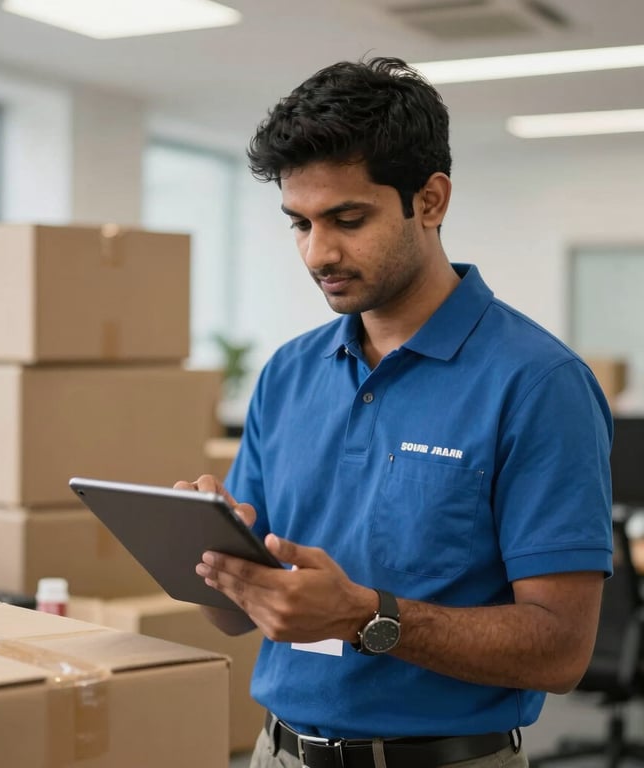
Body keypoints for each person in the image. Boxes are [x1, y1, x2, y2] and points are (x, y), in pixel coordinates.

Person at [176, 56, 613, 768]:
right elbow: (235, 617)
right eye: (299, 224)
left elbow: (561, 651)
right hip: (277, 753)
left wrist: (362, 616)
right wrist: (216, 562)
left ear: (430, 200)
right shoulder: (288, 372)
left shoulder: (539, 382)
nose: (319, 252)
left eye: (348, 219)